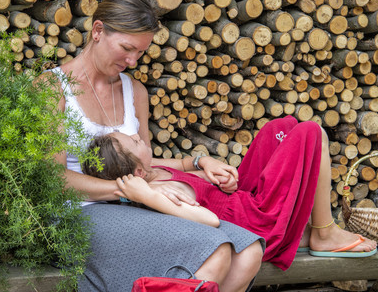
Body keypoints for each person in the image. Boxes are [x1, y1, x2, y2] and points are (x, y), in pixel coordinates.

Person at [35, 0, 265, 292]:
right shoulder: (52, 89)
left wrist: (198, 163)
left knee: (249, 253)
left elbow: (144, 161)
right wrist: (130, 190)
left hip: (136, 206)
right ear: (98, 31)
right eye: (127, 48)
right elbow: (53, 180)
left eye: (140, 53)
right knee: (212, 250)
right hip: (77, 215)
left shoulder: (134, 91)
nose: (132, 61)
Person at [84, 116, 377, 270]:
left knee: (281, 127)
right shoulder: (160, 190)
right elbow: (207, 219)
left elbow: (194, 176)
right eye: (136, 141)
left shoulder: (152, 169)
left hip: (240, 200)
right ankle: (324, 233)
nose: (139, 136)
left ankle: (311, 230)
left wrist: (214, 175)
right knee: (310, 133)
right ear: (136, 173)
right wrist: (147, 196)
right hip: (253, 221)